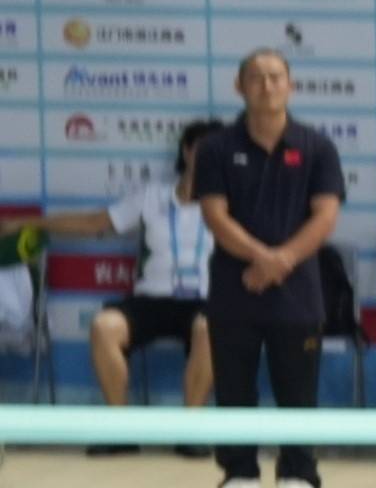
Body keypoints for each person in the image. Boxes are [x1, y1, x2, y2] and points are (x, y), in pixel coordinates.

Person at [1, 117, 222, 455]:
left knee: (210, 328)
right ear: (186, 151)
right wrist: (26, 222)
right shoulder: (152, 196)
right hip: (151, 298)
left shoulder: (233, 204)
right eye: (201, 148)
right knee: (105, 326)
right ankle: (120, 430)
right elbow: (95, 223)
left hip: (207, 300)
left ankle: (191, 432)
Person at [194, 49, 345, 488]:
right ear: (239, 87)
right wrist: (262, 258)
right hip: (234, 288)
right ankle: (238, 474)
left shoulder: (317, 146)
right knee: (234, 388)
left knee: (298, 390)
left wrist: (280, 261)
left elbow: (325, 216)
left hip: (296, 292)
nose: (267, 85)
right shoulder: (217, 148)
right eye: (256, 78)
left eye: (276, 76)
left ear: (291, 85)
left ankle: (299, 475)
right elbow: (214, 215)